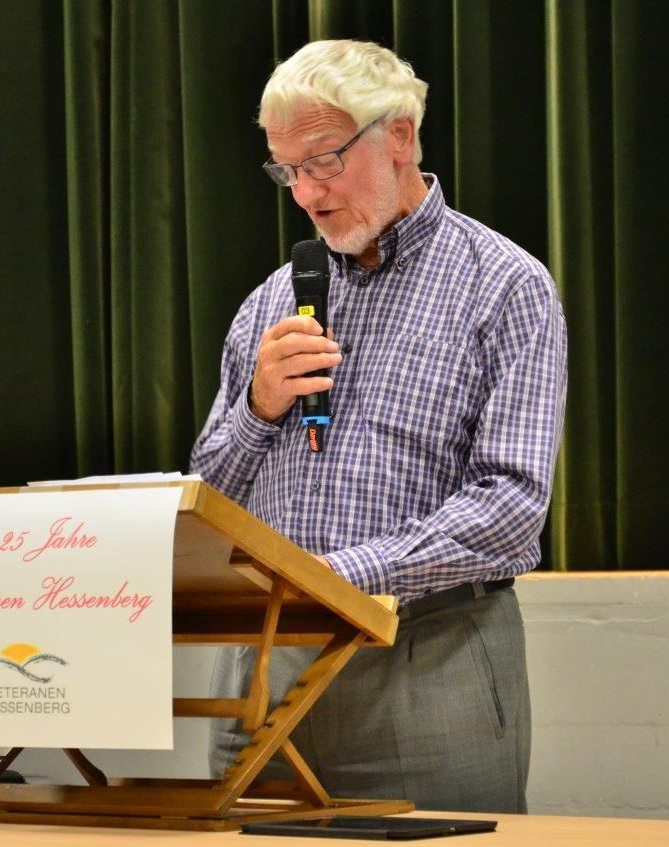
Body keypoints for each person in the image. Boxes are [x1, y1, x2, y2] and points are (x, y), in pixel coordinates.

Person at [189, 39, 566, 813]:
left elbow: (510, 505)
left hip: (428, 661)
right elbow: (206, 500)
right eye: (286, 170)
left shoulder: (505, 286)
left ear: (399, 134)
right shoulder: (270, 302)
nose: (306, 193)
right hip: (266, 669)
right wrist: (258, 408)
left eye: (323, 160)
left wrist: (337, 577)